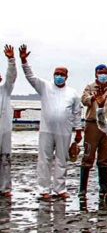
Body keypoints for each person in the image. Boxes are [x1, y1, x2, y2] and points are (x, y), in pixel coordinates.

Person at [20, 45, 83, 201]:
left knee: (62, 159)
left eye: (61, 74)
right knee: (44, 160)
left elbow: (76, 113)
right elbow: (30, 77)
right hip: (46, 130)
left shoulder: (73, 93)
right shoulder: (45, 86)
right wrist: (24, 61)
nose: (58, 76)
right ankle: (43, 189)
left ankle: (60, 189)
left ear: (66, 77)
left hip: (64, 131)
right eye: (56, 74)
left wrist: (78, 131)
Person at [80, 64, 107, 196]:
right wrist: (93, 98)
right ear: (96, 74)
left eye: (105, 73)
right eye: (100, 73)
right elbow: (84, 101)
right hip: (92, 125)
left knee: (104, 158)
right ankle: (82, 189)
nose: (103, 75)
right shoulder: (90, 88)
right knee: (88, 156)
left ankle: (103, 189)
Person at [0, 45, 16, 198]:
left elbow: (11, 77)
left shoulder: (5, 90)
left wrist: (11, 60)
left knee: (5, 158)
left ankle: (5, 188)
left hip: (4, 130)